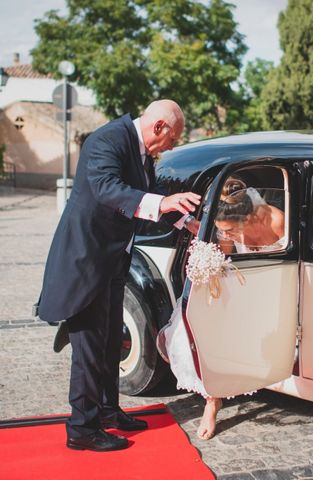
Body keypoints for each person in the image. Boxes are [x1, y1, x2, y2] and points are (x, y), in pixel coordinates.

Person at [37, 99, 201, 452]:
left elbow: (154, 197)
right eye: (173, 138)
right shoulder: (106, 140)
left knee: (111, 342)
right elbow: (108, 189)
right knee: (89, 349)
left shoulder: (142, 152)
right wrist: (163, 203)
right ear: (159, 127)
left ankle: (109, 412)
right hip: (86, 262)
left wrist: (188, 222)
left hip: (114, 262)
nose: (172, 145)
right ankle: (82, 429)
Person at [158, 176, 285, 440]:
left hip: (277, 289)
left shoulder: (277, 221)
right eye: (221, 230)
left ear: (248, 219)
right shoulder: (226, 228)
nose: (225, 235)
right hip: (244, 288)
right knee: (214, 324)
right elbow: (225, 265)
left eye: (229, 230)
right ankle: (212, 401)